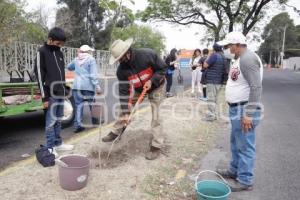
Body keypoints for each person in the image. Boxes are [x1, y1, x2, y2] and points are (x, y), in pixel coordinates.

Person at [102, 38, 167, 160]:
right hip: (139, 89)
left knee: (156, 115)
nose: (119, 61)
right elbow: (123, 92)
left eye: (120, 58)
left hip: (157, 86)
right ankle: (116, 132)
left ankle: (156, 146)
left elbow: (163, 68)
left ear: (127, 52)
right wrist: (126, 112)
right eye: (118, 59)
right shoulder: (121, 70)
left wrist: (152, 81)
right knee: (125, 109)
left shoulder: (147, 55)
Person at [217, 32, 263, 192]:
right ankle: (235, 170)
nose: (227, 49)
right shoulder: (240, 59)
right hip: (237, 108)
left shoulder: (248, 59)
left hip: (244, 108)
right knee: (236, 142)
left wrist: (249, 114)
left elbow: (256, 87)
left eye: (228, 46)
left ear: (236, 44)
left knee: (244, 145)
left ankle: (245, 180)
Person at [34, 27, 74, 156]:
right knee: (50, 122)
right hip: (50, 95)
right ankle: (50, 147)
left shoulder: (59, 53)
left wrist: (64, 90)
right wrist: (44, 98)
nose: (59, 47)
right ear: (50, 40)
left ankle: (58, 143)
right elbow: (40, 76)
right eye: (57, 44)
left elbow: (61, 74)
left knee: (58, 120)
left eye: (61, 45)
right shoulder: (42, 52)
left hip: (60, 93)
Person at [67, 45, 102, 133]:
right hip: (88, 87)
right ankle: (96, 122)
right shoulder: (91, 59)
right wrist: (97, 86)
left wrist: (77, 58)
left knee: (78, 105)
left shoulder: (76, 59)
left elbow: (69, 67)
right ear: (88, 52)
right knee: (92, 104)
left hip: (76, 87)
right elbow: (93, 75)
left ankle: (78, 125)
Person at [202, 43, 226, 121]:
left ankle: (211, 116)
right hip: (219, 81)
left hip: (212, 80)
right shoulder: (223, 56)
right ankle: (215, 114)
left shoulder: (214, 55)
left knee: (211, 99)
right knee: (215, 98)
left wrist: (209, 56)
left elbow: (205, 65)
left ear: (214, 49)